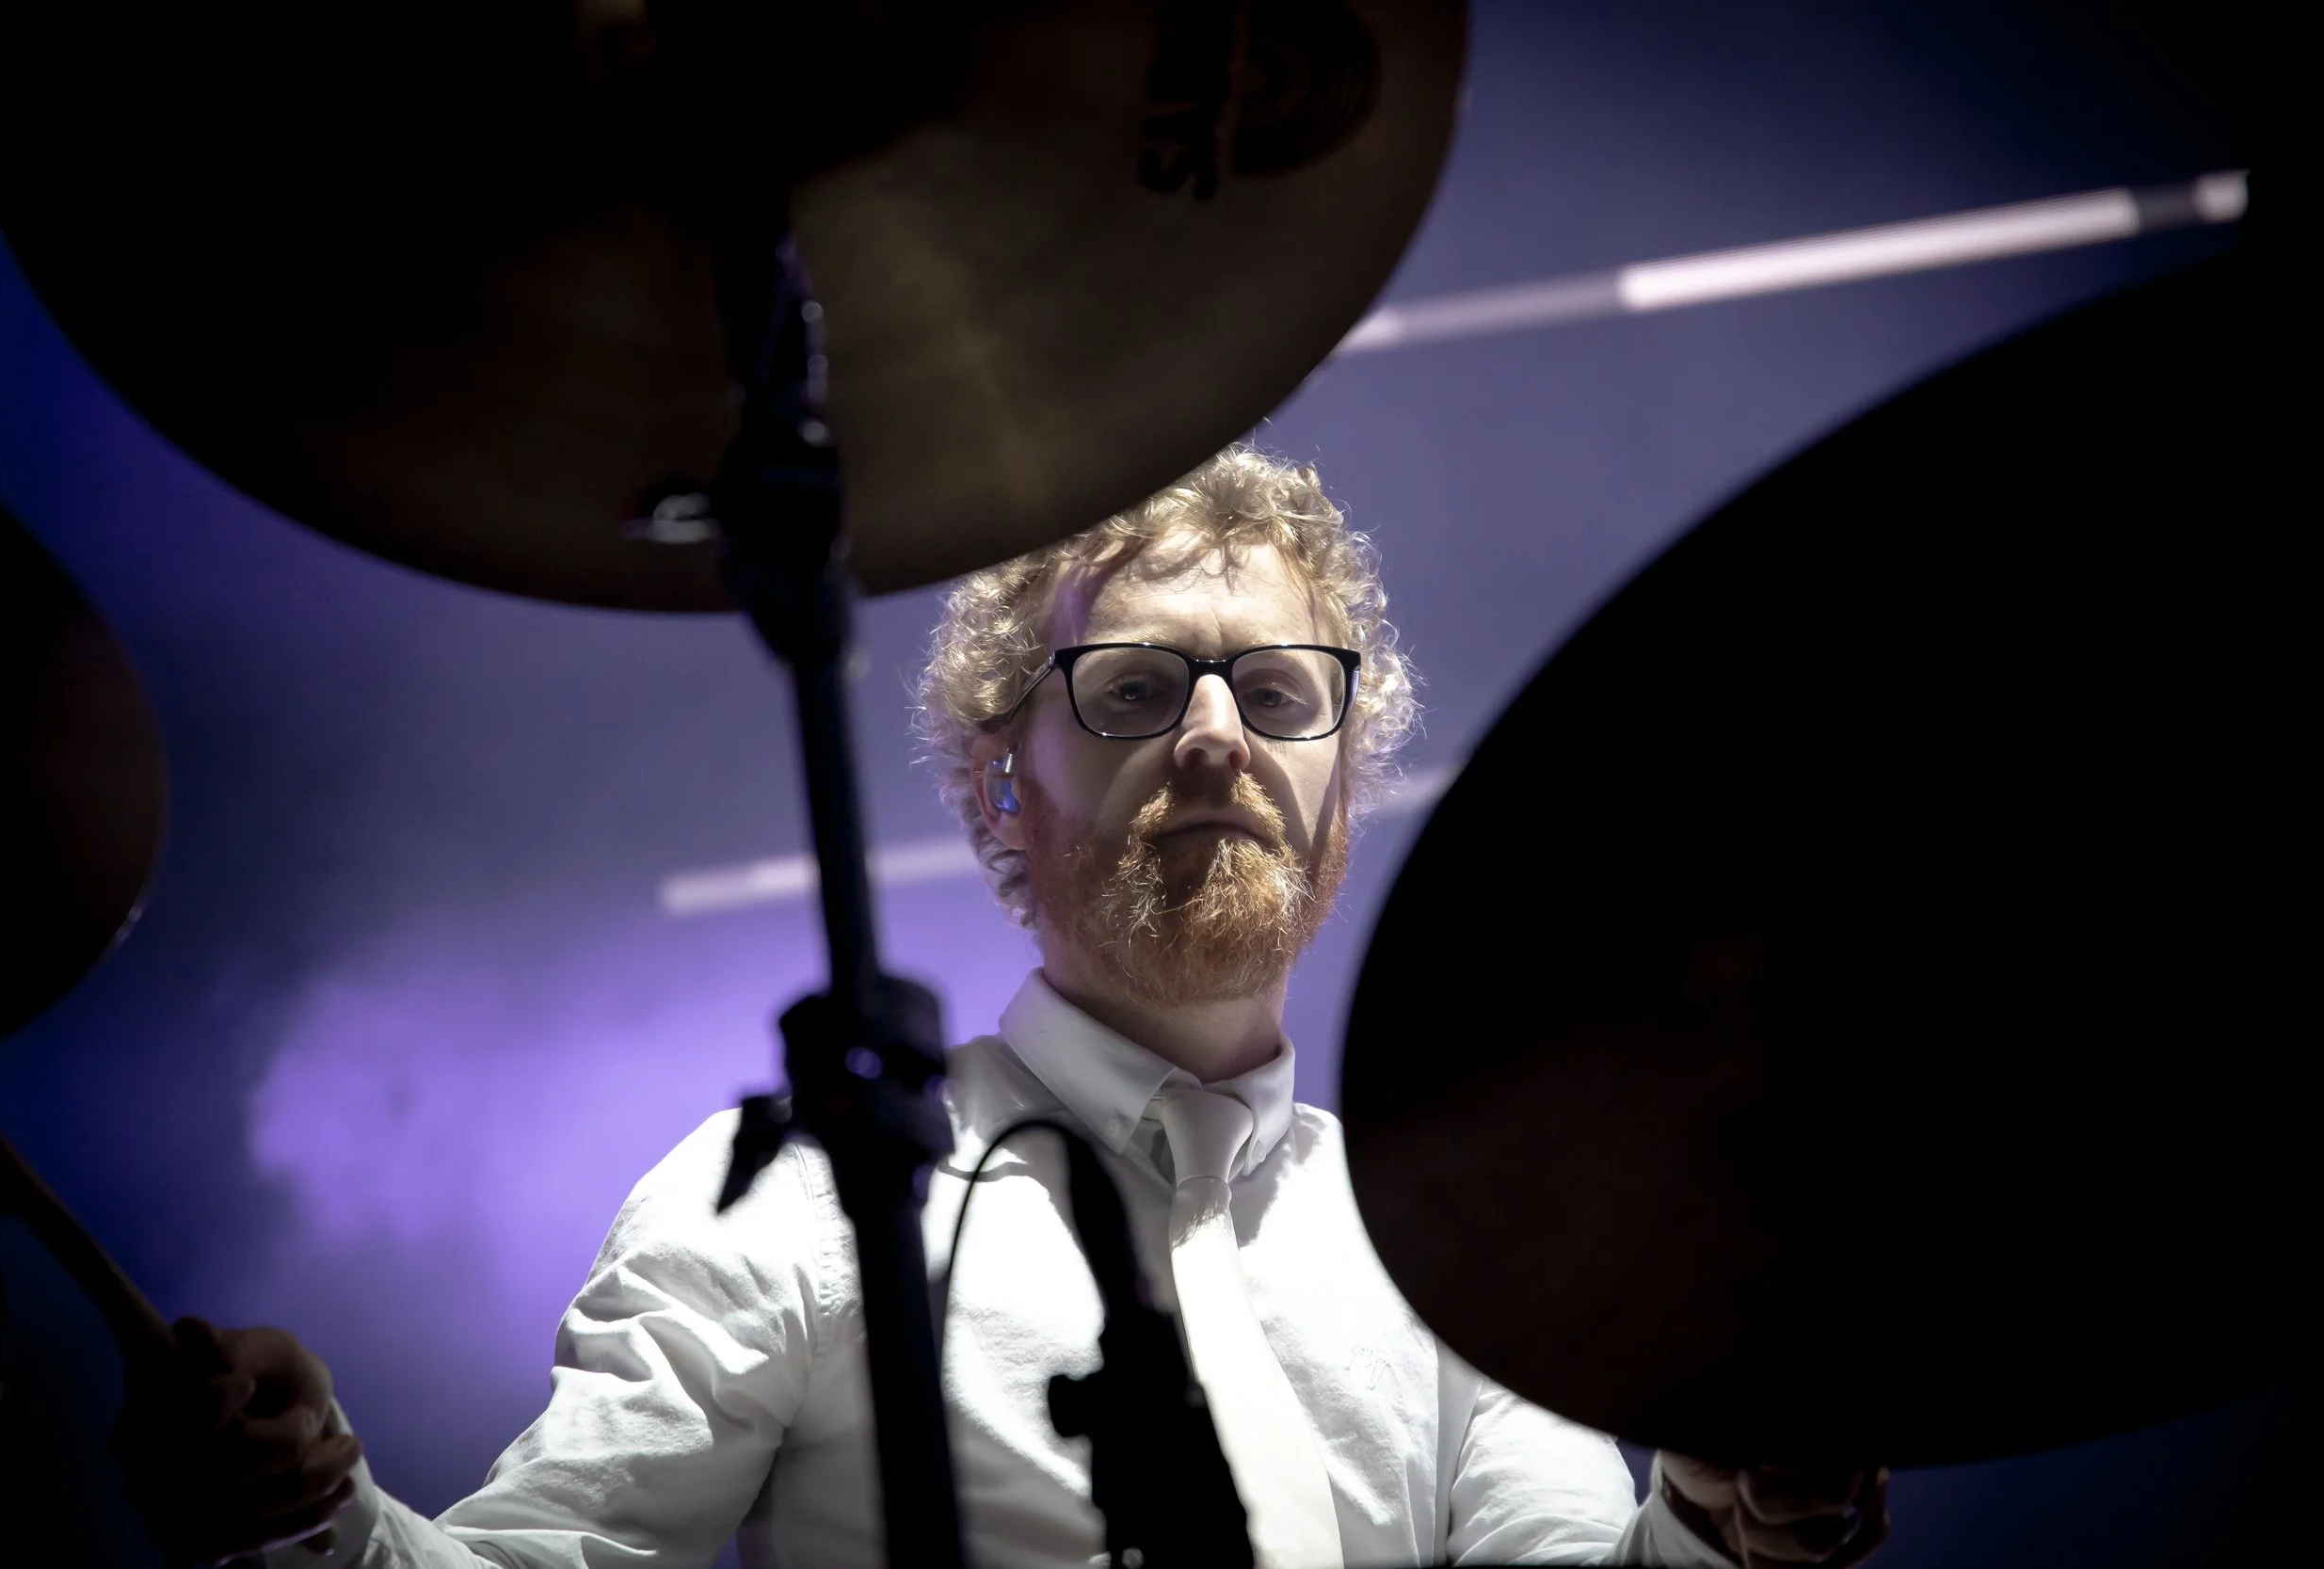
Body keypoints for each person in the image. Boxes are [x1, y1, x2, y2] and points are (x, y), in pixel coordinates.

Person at [118, 448, 1889, 1568]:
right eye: (1134, 687)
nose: (1220, 737)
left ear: (1345, 786)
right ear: (996, 789)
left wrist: (1717, 1527)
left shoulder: (1464, 1243)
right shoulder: (804, 1195)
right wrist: (312, 1513)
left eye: (1280, 694)